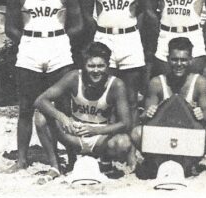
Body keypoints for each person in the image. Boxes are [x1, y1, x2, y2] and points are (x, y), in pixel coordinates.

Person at [3, 0, 84, 172]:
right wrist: (29, 40)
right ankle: (21, 159)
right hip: (31, 47)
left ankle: (72, 157)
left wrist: (62, 39)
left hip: (58, 45)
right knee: (27, 106)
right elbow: (10, 28)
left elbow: (78, 25)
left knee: (64, 106)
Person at [34, 42, 135, 174]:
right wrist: (62, 117)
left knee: (123, 142)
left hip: (100, 137)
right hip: (75, 134)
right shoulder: (75, 77)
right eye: (91, 66)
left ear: (108, 66)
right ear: (84, 65)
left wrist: (95, 130)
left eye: (101, 66)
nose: (96, 70)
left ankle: (105, 160)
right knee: (40, 118)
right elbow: (40, 100)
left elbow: (125, 123)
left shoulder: (116, 84)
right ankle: (55, 166)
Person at [80, 0, 147, 120]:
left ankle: (130, 142)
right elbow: (86, 12)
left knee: (131, 96)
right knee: (105, 94)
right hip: (104, 38)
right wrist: (98, 35)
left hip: (129, 39)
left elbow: (143, 10)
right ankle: (106, 141)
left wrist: (135, 32)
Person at [131, 37, 206, 175]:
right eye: (174, 59)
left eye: (183, 60)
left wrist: (202, 114)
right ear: (168, 59)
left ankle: (191, 162)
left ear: (191, 60)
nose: (179, 64)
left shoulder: (199, 82)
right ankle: (156, 162)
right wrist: (149, 112)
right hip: (163, 136)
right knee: (137, 133)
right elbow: (144, 119)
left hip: (187, 137)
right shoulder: (157, 82)